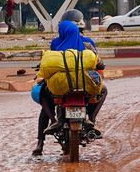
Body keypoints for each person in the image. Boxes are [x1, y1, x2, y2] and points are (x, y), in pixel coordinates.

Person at [32, 13, 107, 156]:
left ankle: (41, 141)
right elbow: (97, 62)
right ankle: (91, 119)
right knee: (102, 90)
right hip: (84, 84)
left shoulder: (56, 43)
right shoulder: (88, 43)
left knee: (43, 95)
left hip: (61, 86)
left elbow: (50, 63)